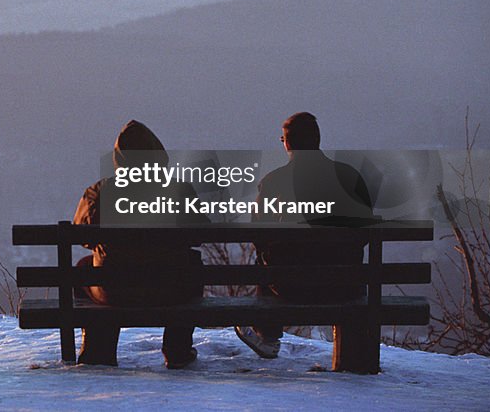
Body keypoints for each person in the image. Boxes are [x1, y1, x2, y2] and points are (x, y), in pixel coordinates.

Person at [235, 112, 375, 358]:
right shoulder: (349, 177)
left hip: (290, 287)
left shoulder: (273, 181)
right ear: (317, 141)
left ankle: (267, 336)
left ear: (287, 143)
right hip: (344, 287)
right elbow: (363, 232)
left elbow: (258, 233)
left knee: (267, 257)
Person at [72, 120, 207, 368]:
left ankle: (98, 350)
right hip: (171, 289)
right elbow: (200, 234)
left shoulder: (100, 192)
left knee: (84, 268)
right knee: (193, 265)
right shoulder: (178, 189)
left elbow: (82, 236)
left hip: (115, 291)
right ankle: (177, 350)